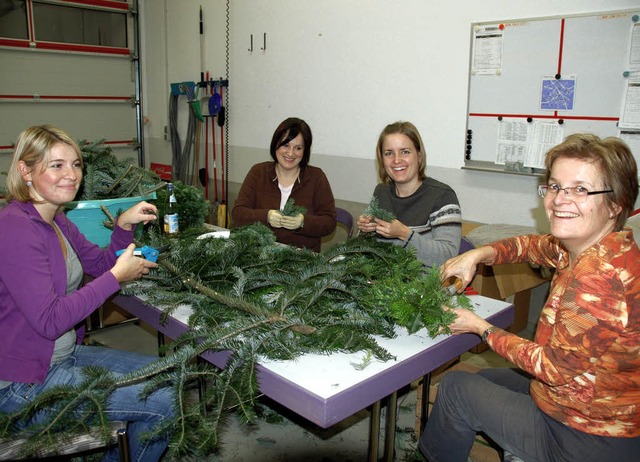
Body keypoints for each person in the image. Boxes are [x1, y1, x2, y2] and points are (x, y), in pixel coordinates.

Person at [420, 133, 640, 462]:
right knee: (485, 377)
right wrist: (478, 254)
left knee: (455, 389)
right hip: (572, 402)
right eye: (554, 186)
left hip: (584, 436)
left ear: (616, 204)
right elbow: (533, 245)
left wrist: (480, 327)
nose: (559, 200)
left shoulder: (599, 278)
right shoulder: (595, 245)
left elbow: (551, 367)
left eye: (580, 189)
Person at [0, 125, 174, 462]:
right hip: (24, 384)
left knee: (166, 376)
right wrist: (114, 278)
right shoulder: (15, 229)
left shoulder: (56, 219)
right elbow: (50, 320)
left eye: (76, 164)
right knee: (164, 399)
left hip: (61, 356)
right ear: (25, 170)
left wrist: (123, 225)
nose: (71, 175)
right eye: (57, 165)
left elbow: (100, 262)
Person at [357, 121, 462, 267]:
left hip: (423, 286)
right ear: (382, 159)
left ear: (419, 155)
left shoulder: (442, 196)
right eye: (389, 153)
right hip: (379, 282)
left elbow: (447, 257)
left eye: (405, 151)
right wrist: (365, 230)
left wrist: (404, 234)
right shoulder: (381, 191)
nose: (396, 160)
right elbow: (365, 250)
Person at [232, 117, 336, 252]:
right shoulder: (258, 172)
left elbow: (329, 223)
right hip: (259, 253)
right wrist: (266, 217)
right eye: (285, 145)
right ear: (275, 144)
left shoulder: (316, 177)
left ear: (305, 152)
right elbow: (238, 214)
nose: (290, 153)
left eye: (298, 148)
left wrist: (303, 221)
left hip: (302, 259)